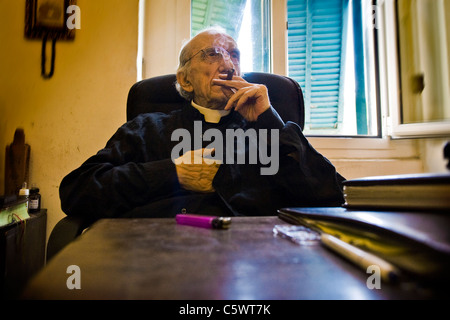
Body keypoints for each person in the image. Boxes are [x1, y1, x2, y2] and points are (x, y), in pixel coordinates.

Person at [59, 28, 345, 222]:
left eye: (234, 55)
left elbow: (334, 196)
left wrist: (270, 120)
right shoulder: (147, 129)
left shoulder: (268, 132)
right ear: (185, 80)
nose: (228, 65)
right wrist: (172, 173)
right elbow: (76, 192)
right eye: (213, 54)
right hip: (159, 261)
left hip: (254, 263)